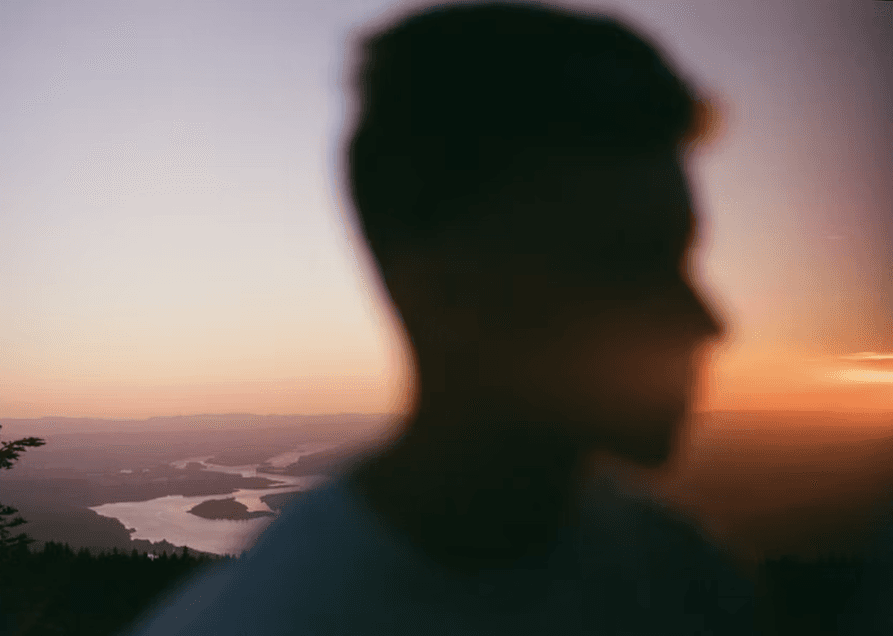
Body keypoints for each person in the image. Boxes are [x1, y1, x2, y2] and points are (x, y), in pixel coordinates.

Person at [120, 3, 763, 634]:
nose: (708, 321)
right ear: (438, 283)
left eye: (680, 259)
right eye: (625, 263)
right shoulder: (263, 620)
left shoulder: (683, 574)